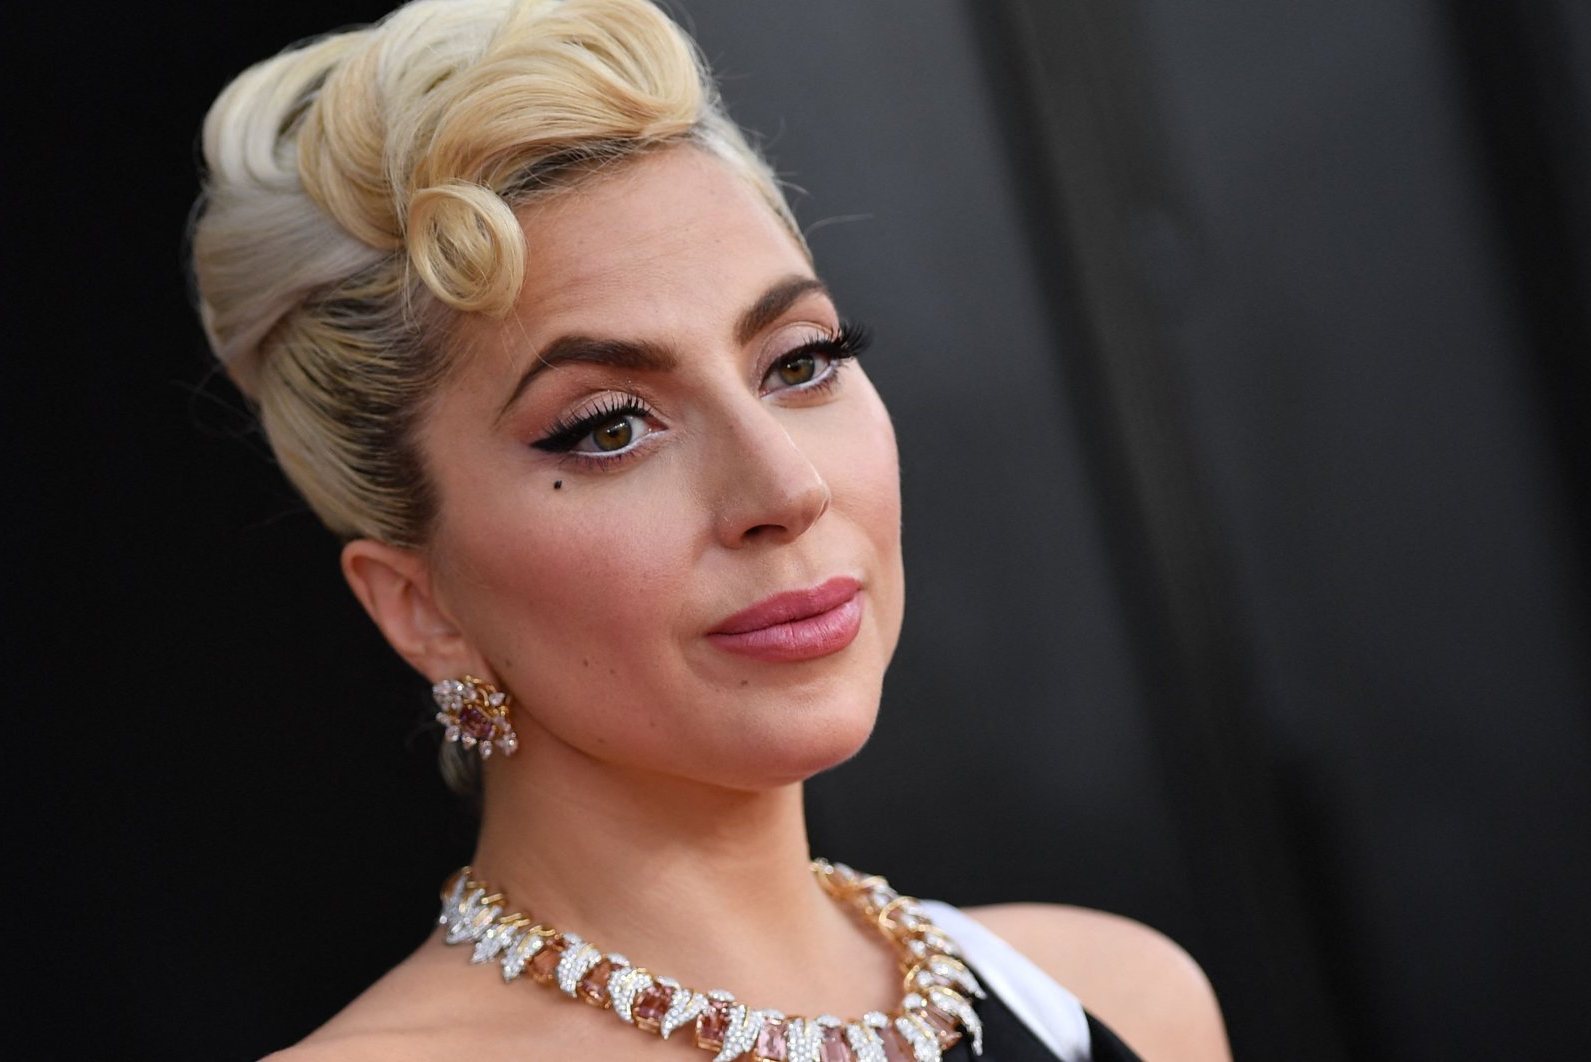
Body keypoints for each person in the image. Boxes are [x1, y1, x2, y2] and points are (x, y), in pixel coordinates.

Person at [191, 1, 1230, 1058]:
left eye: (800, 362)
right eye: (608, 428)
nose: (786, 488)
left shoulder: (1118, 1002)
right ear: (422, 608)